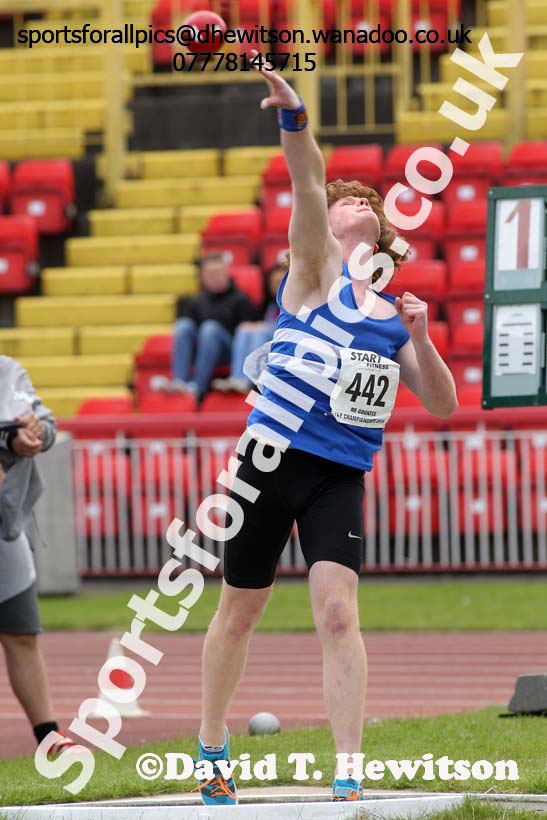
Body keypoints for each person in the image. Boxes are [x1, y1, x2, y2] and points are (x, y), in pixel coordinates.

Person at [194, 53, 458, 806]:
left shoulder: (389, 313)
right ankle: (211, 746)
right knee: (238, 610)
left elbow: (439, 404)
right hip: (267, 461)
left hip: (338, 472)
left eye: (366, 202)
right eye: (346, 203)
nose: (356, 205)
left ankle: (348, 765)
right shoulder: (311, 278)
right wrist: (293, 115)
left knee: (339, 612)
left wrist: (425, 336)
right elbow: (309, 182)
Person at [0, 356, 77, 758]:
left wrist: (33, 432)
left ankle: (49, 736)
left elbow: (46, 425)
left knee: (21, 631)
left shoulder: (6, 370)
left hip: (3, 522)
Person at [153, 252, 258, 402]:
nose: (215, 278)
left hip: (229, 350)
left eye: (219, 273)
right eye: (211, 274)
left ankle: (197, 387)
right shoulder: (196, 301)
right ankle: (180, 380)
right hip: (203, 348)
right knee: (183, 325)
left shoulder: (240, 299)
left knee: (210, 329)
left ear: (227, 273)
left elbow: (248, 333)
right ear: (203, 276)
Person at [211, 264, 285, 394]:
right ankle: (236, 378)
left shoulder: (294, 303)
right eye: (273, 282)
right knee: (243, 329)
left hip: (281, 344)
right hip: (267, 339)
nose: (276, 286)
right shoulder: (269, 304)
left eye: (280, 282)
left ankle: (248, 380)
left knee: (258, 332)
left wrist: (264, 326)